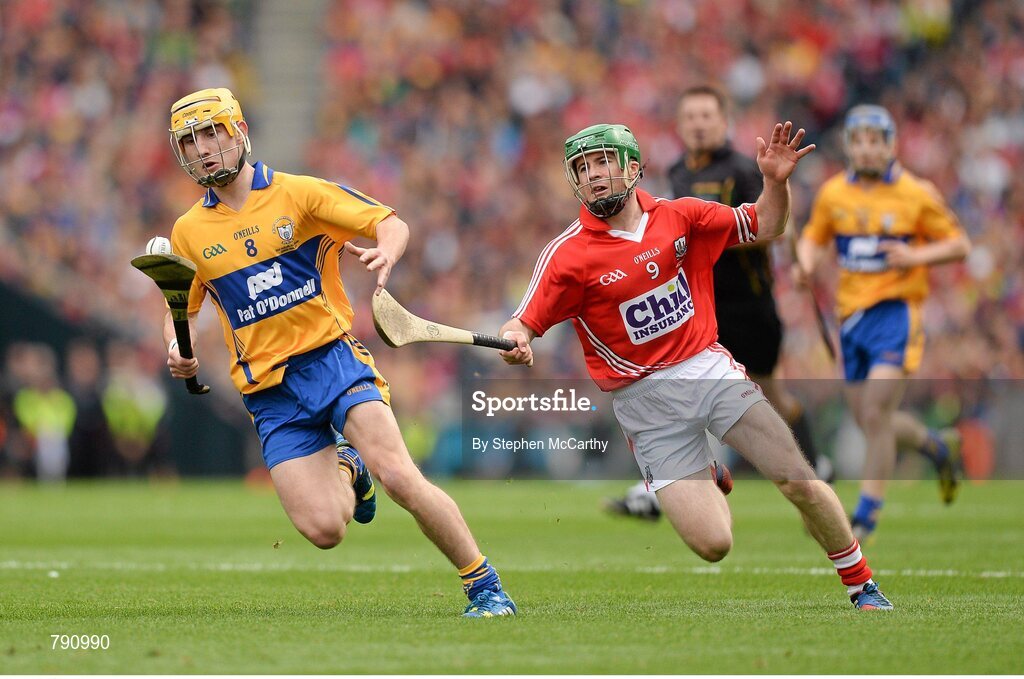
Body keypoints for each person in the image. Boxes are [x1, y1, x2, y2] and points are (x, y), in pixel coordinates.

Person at [498, 121, 893, 610]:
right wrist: (515, 340)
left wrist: (776, 182)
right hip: (643, 404)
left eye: (602, 161)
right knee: (714, 545)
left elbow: (766, 225)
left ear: (632, 166)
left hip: (708, 370)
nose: (593, 175)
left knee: (797, 477)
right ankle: (709, 471)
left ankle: (861, 586)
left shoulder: (680, 216)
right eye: (582, 167)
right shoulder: (567, 255)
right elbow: (524, 320)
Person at [162, 88, 515, 617]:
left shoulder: (300, 194)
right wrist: (177, 348)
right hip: (270, 394)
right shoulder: (188, 233)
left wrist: (385, 255)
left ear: (238, 133)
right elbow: (185, 311)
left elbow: (391, 223)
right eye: (190, 141)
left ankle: (485, 586)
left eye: (212, 133)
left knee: (400, 477)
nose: (203, 149)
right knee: (325, 530)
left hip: (332, 362)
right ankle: (348, 467)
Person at [606, 85, 830, 521]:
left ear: (724, 121)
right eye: (690, 117)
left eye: (707, 116)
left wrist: (717, 237)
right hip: (701, 307)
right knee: (689, 389)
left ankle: (815, 464)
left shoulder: (742, 170)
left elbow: (772, 216)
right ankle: (666, 484)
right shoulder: (676, 173)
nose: (699, 124)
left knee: (772, 393)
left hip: (750, 306)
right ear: (680, 125)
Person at [795, 104, 970, 540]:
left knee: (874, 412)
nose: (868, 150)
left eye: (877, 141)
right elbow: (814, 238)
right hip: (851, 319)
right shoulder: (834, 193)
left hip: (895, 314)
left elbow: (959, 244)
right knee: (872, 421)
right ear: (850, 147)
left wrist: (916, 255)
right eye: (860, 141)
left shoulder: (917, 193)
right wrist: (805, 263)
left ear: (891, 145)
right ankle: (935, 444)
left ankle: (866, 517)